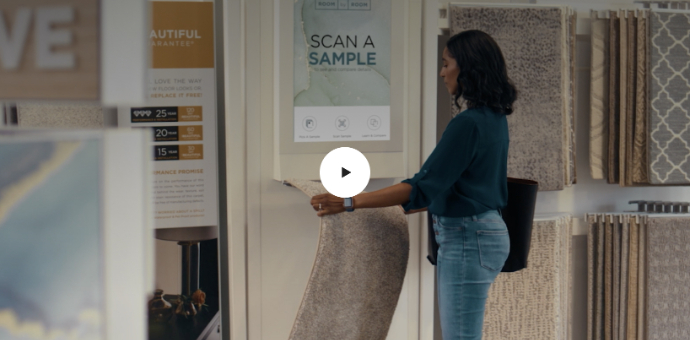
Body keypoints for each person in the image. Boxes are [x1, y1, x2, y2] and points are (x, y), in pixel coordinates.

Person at [310, 30, 517, 340]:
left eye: (447, 64)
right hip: (483, 235)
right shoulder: (493, 118)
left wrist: (350, 201)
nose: (442, 72)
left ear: (468, 67)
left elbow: (421, 185)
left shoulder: (468, 123)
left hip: (467, 239)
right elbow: (447, 186)